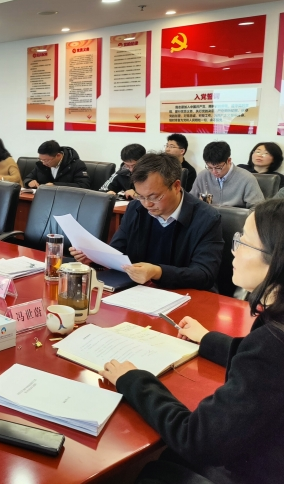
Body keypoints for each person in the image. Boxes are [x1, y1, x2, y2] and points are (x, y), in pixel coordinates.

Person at [100, 198, 284, 484]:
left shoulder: (272, 344)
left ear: (276, 259)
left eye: (244, 242)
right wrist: (207, 339)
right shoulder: (274, 331)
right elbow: (260, 365)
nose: (233, 251)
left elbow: (196, 439)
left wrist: (135, 381)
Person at [70, 153, 223, 290]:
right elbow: (118, 251)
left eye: (154, 197)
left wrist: (158, 272)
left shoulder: (207, 218)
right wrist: (96, 258)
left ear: (176, 186)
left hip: (186, 296)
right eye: (141, 196)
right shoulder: (135, 208)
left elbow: (204, 274)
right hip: (139, 291)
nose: (147, 204)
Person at [190, 141, 264, 208]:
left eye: (218, 167)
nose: (214, 172)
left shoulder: (247, 178)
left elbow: (257, 208)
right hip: (209, 217)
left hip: (236, 218)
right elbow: (191, 201)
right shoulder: (203, 175)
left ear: (229, 161)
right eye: (210, 167)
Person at [23, 140, 90, 188]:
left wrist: (56, 186)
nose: (43, 163)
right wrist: (29, 182)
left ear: (58, 155)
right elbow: (28, 178)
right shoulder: (41, 164)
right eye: (40, 159)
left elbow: (83, 185)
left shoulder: (77, 165)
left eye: (46, 160)